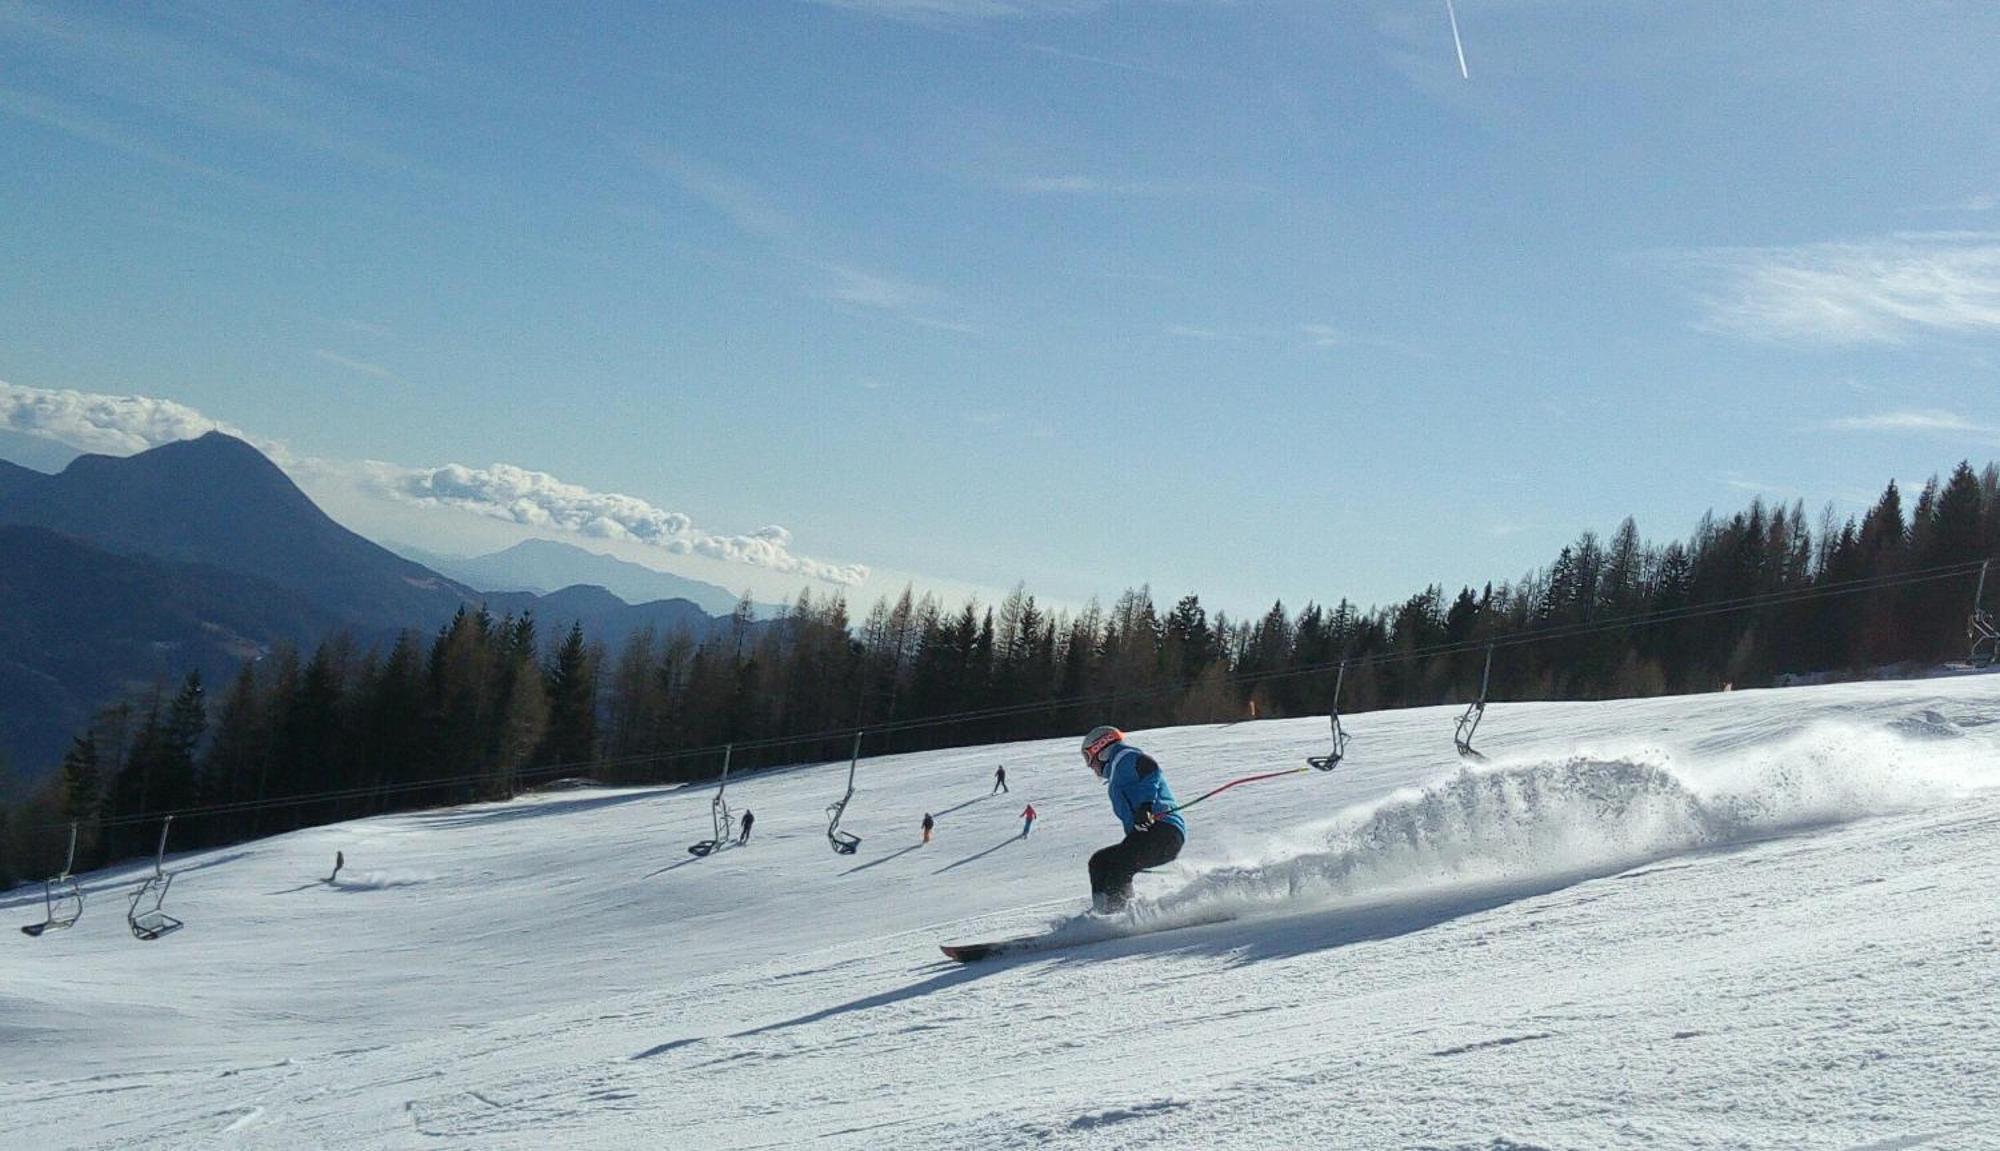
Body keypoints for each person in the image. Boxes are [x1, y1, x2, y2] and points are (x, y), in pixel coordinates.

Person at [1080, 725, 1184, 913]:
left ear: (1100, 748)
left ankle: (1118, 915)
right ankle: (1104, 912)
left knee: (1116, 864)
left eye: (1088, 758)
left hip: (1163, 831)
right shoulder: (1118, 770)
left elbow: (1149, 767)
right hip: (1151, 834)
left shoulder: (1123, 757)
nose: (1090, 766)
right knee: (1100, 862)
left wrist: (1146, 807)